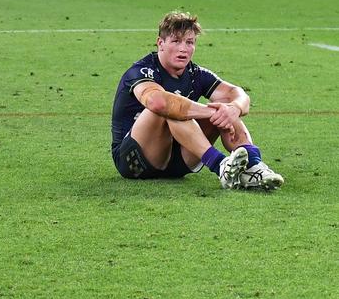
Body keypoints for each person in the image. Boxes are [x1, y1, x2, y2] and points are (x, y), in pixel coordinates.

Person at [111, 11, 283, 190]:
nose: (183, 49)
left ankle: (255, 168)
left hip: (178, 162)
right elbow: (158, 103)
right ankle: (220, 166)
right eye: (176, 41)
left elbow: (238, 94)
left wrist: (234, 108)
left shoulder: (196, 74)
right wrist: (212, 111)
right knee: (172, 107)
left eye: (189, 42)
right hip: (134, 161)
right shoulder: (142, 70)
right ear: (160, 43)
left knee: (226, 108)